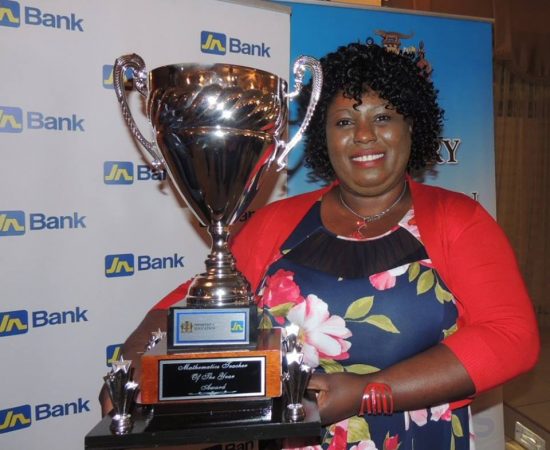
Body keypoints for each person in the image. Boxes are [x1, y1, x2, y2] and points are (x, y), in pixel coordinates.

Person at [100, 41, 540, 450]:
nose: (364, 135)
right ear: (323, 136)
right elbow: (201, 304)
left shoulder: (456, 219)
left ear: (411, 126)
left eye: (383, 118)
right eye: (344, 121)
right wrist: (134, 365)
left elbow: (512, 337)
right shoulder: (278, 223)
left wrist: (368, 393)